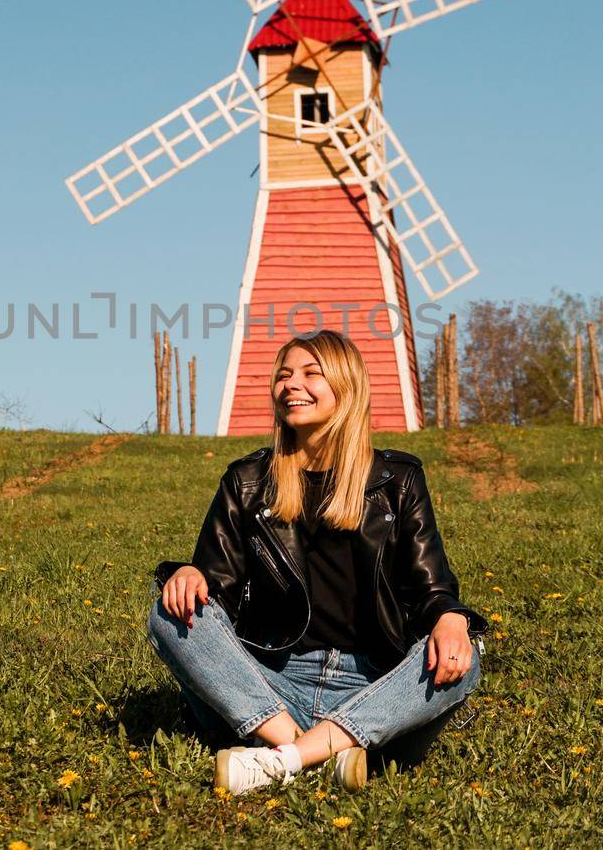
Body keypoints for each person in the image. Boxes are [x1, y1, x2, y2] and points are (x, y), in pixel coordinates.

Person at [145, 329, 485, 795]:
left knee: (467, 657)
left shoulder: (398, 481)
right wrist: (188, 573)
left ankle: (283, 760)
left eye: (310, 373)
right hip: (272, 683)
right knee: (169, 612)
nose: (291, 385)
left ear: (347, 386)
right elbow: (214, 588)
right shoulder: (247, 482)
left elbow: (431, 589)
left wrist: (450, 619)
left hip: (374, 686)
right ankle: (314, 753)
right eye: (283, 375)